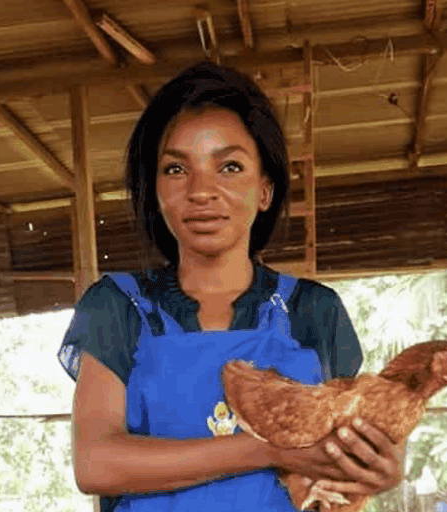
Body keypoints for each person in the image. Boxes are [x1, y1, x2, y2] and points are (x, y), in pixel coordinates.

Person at [57, 60, 403, 512]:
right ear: (154, 189)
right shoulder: (118, 307)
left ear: (265, 190)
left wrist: (381, 467)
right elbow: (96, 462)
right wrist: (269, 448)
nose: (202, 191)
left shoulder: (314, 311)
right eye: (177, 170)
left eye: (230, 167)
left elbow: (341, 453)